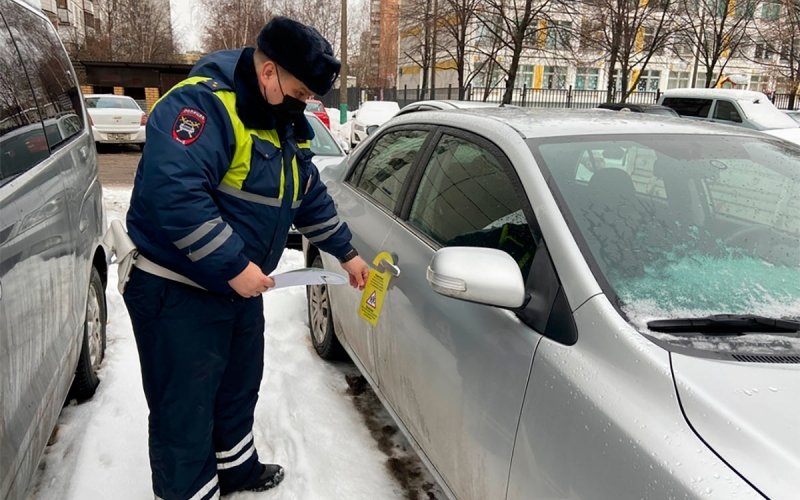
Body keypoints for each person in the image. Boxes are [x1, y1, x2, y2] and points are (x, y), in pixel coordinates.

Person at [122, 17, 370, 500]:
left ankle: (236, 469)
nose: (303, 103)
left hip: (235, 287)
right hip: (177, 289)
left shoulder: (283, 119)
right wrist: (235, 266)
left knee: (237, 388)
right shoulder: (202, 106)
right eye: (298, 91)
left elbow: (306, 192)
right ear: (269, 72)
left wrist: (346, 253)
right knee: (185, 409)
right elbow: (172, 194)